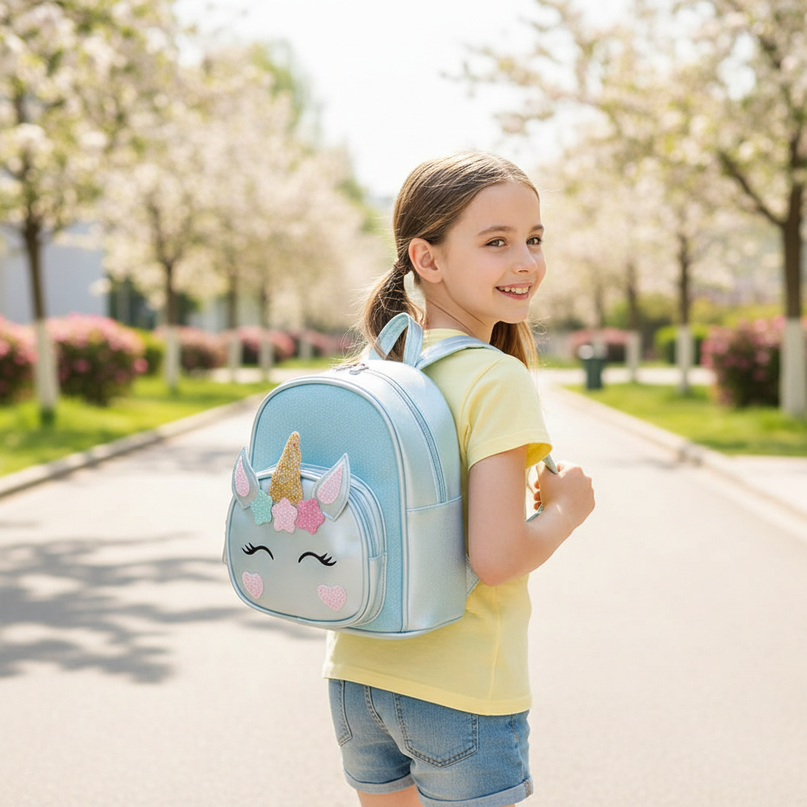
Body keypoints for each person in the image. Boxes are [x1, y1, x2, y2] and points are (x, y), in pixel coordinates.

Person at [323, 151, 595, 807]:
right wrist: (567, 509)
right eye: (495, 242)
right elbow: (496, 558)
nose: (524, 260)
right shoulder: (494, 377)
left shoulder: (377, 366)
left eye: (533, 238)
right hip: (460, 687)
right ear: (428, 258)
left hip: (358, 676)